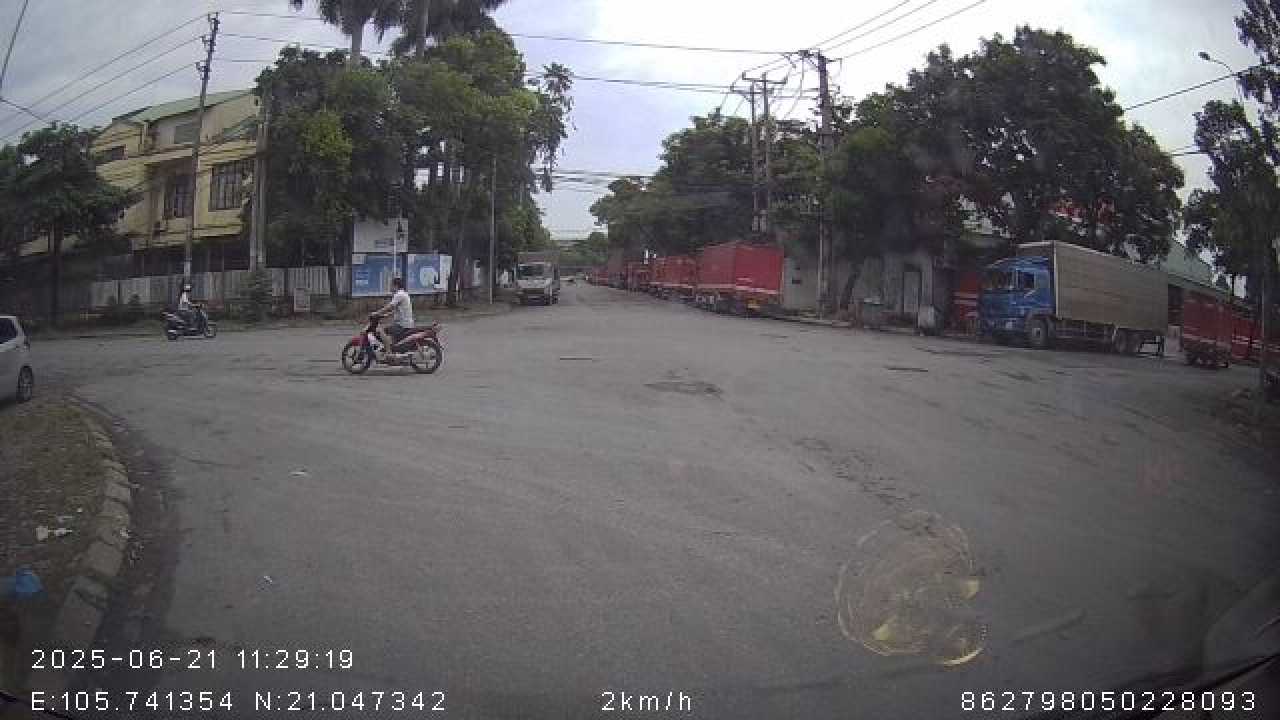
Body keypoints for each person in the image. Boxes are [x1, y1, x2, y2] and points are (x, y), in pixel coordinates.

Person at [373, 277, 414, 357]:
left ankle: (388, 352)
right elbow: (397, 310)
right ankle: (391, 348)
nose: (390, 287)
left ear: (396, 286)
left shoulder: (399, 295)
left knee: (380, 331)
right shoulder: (404, 294)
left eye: (391, 285)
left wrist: (377, 313)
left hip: (402, 325)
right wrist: (384, 315)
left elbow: (390, 306)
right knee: (389, 333)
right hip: (405, 323)